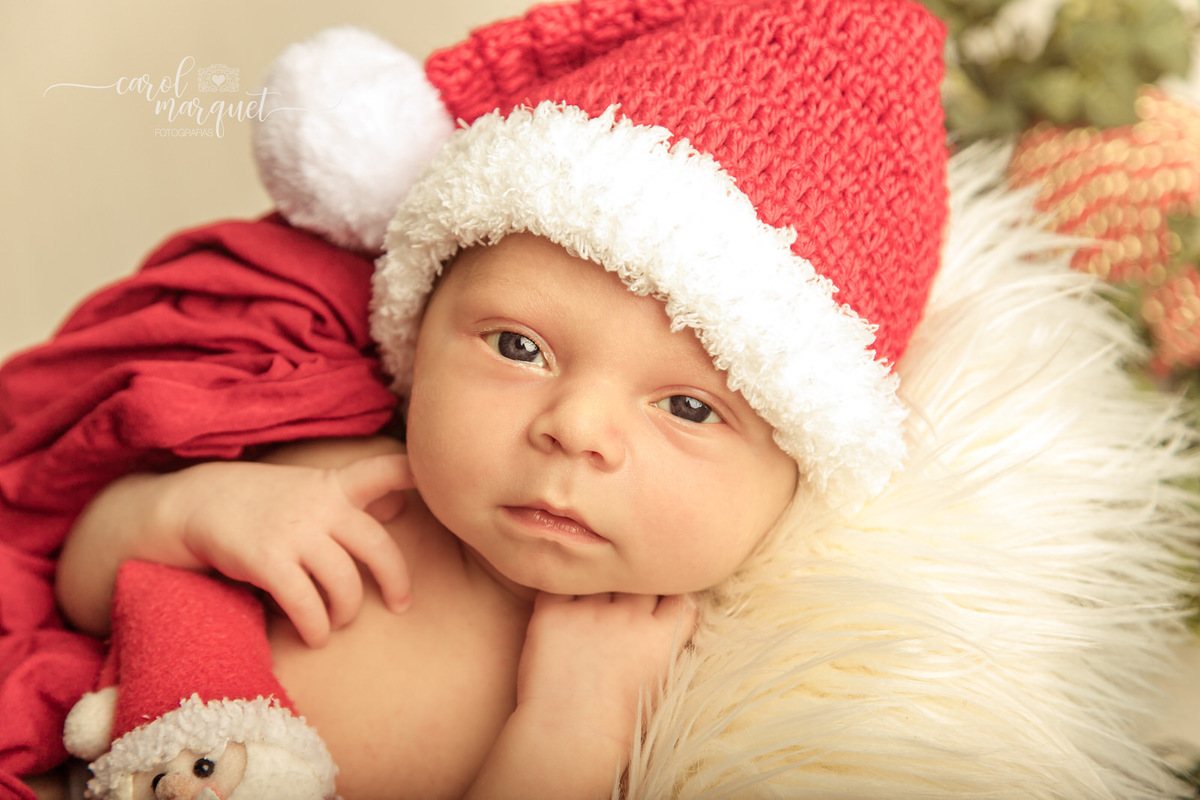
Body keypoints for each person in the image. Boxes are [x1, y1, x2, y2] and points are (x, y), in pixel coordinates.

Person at [45, 0, 950, 796]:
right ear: (415, 330)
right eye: (520, 347)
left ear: (800, 461)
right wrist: (190, 508)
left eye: (688, 407)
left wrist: (572, 731)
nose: (576, 430)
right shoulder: (347, 480)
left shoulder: (677, 688)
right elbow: (82, 585)